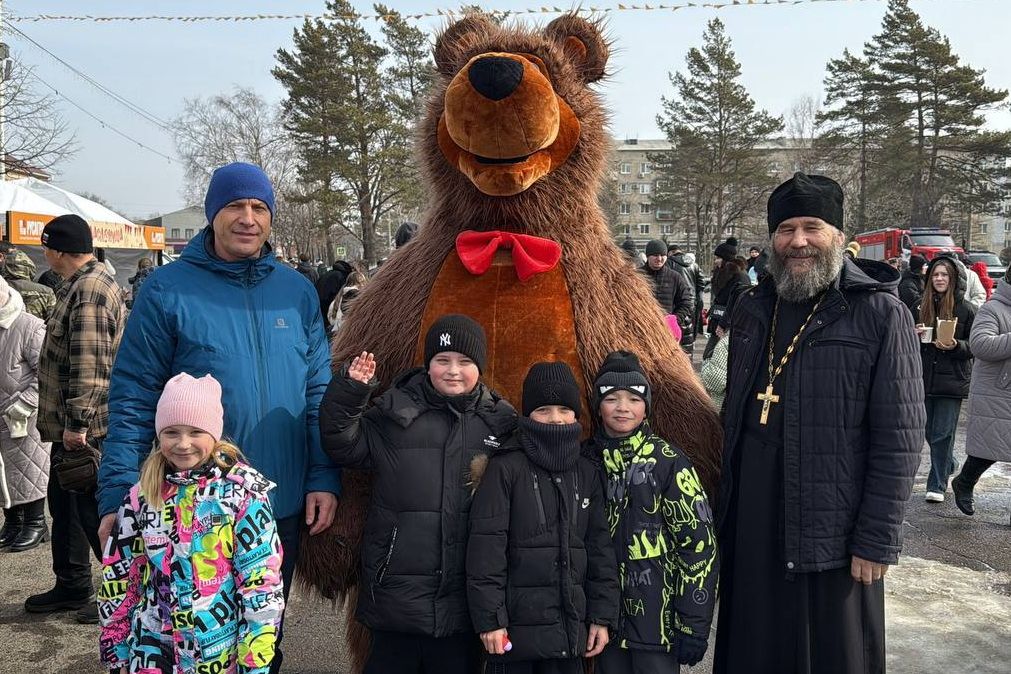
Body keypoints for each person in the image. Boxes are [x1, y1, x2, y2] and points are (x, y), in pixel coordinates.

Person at [99, 162, 338, 672]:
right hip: (191, 509)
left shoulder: (296, 292)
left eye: (259, 208)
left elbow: (318, 389)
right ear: (212, 215)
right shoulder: (167, 290)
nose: (248, 218)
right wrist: (117, 495)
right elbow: (134, 396)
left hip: (281, 501)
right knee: (191, 642)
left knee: (262, 634)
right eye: (235, 206)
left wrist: (323, 474)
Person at [714, 172, 925, 674]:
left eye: (812, 226)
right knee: (753, 649)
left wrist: (876, 539)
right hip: (752, 520)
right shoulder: (752, 308)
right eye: (786, 229)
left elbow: (899, 440)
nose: (799, 241)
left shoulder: (879, 313)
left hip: (834, 530)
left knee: (831, 655)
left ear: (838, 235)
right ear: (771, 241)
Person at [320, 314, 517, 674]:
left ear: (480, 367)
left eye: (465, 361)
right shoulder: (396, 412)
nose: (453, 370)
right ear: (428, 365)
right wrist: (350, 393)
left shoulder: (500, 423)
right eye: (442, 360)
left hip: (461, 604)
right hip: (396, 597)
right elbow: (344, 445)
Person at [99, 373, 285, 673]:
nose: (183, 444)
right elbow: (120, 578)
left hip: (219, 655)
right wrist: (116, 651)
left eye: (195, 431)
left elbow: (261, 585)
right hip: (153, 651)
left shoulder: (243, 494)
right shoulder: (140, 496)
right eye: (171, 432)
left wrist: (255, 662)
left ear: (214, 433)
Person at [467, 362, 619, 673]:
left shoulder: (586, 471)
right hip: (514, 640)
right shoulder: (506, 468)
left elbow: (600, 550)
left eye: (564, 409)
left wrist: (602, 616)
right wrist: (491, 620)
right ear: (528, 415)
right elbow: (486, 552)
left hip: (567, 639)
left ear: (576, 414)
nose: (555, 419)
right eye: (544, 410)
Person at [584, 351, 718, 674]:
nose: (623, 407)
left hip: (658, 629)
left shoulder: (669, 463)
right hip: (605, 627)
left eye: (633, 398)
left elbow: (698, 545)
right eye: (612, 398)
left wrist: (693, 623)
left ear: (646, 406)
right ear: (598, 406)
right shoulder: (587, 462)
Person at [26, 214, 125, 624]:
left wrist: (77, 425)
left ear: (57, 250)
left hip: (86, 430)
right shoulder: (84, 283)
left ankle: (123, 593)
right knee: (65, 505)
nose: (44, 253)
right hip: (75, 426)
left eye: (47, 246)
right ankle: (72, 583)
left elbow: (89, 366)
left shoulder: (89, 291)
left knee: (91, 511)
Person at [951, 263, 1011, 524]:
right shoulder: (993, 309)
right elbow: (980, 345)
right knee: (988, 448)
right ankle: (964, 481)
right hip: (997, 392)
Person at [915, 255, 975, 503]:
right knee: (928, 431)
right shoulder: (920, 306)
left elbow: (975, 346)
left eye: (944, 275)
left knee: (942, 434)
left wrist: (955, 345)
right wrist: (912, 334)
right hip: (923, 378)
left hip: (951, 380)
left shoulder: (967, 309)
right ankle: (949, 463)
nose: (939, 279)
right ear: (929, 279)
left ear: (953, 279)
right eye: (936, 275)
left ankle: (937, 485)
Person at [0, 277, 50, 553]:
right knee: (5, 471)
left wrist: (25, 403)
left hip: (24, 415)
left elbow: (45, 371)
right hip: (2, 413)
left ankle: (36, 522)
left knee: (30, 468)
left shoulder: (29, 325)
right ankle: (13, 521)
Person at [642, 239, 694, 349]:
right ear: (648, 256)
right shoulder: (637, 276)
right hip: (642, 331)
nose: (659, 259)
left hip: (667, 332)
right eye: (655, 255)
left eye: (662, 255)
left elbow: (686, 302)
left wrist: (675, 319)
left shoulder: (675, 277)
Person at [2, 248, 56, 320]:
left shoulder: (3, 289)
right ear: (30, 267)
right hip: (37, 330)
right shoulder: (46, 292)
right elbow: (53, 321)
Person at [316, 260, 356, 333]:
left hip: (319, 303)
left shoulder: (327, 274)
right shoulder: (340, 277)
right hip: (328, 304)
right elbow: (340, 294)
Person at [328, 270, 367, 335]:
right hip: (351, 334)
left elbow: (331, 319)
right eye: (363, 282)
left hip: (338, 333)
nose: (364, 285)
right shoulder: (356, 295)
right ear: (359, 283)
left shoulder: (339, 297)